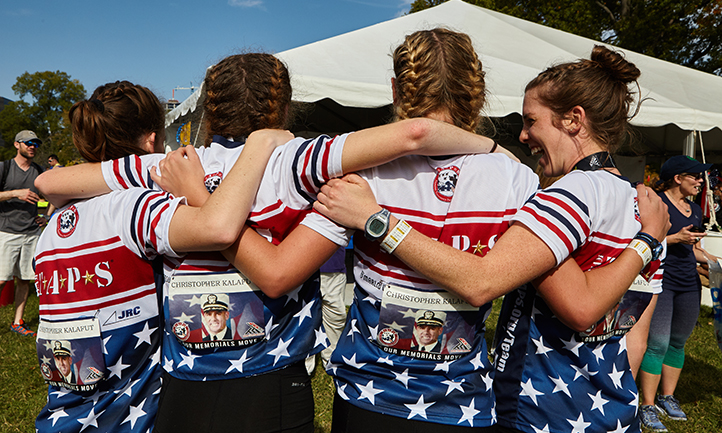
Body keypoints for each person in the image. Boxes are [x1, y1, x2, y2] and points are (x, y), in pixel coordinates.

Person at [37, 52, 511, 433]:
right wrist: (493, 148)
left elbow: (52, 185)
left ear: (209, 108)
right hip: (268, 383)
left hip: (184, 382)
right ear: (284, 108)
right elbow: (415, 132)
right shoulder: (298, 159)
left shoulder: (175, 164)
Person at [315, 45, 669, 433]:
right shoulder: (649, 208)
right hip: (608, 411)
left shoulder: (565, 196)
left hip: (538, 412)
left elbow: (486, 282)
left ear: (573, 119)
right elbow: (634, 338)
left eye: (531, 120)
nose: (523, 133)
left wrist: (376, 221)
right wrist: (648, 238)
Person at [33, 80, 284, 433]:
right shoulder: (138, 207)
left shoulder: (54, 224)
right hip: (123, 420)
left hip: (62, 416)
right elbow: (218, 227)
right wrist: (260, 145)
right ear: (153, 141)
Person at [638, 155, 719, 432]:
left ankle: (667, 397)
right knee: (657, 343)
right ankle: (647, 405)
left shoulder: (695, 210)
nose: (700, 181)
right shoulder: (655, 203)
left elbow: (692, 249)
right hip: (661, 282)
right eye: (695, 176)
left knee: (678, 342)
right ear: (677, 178)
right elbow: (641, 240)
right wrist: (674, 238)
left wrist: (711, 259)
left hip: (689, 285)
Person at [0, 130, 54, 337]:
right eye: (28, 143)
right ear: (17, 145)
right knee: (2, 280)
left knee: (24, 279)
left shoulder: (40, 171)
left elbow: (53, 195)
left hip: (31, 233)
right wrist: (15, 193)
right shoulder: (4, 168)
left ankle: (17, 321)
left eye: (36, 144)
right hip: (6, 231)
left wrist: (47, 217)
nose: (33, 146)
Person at [306, 246, 348, 374]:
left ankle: (333, 359)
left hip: (333, 264)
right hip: (302, 264)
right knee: (305, 316)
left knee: (336, 315)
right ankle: (305, 362)